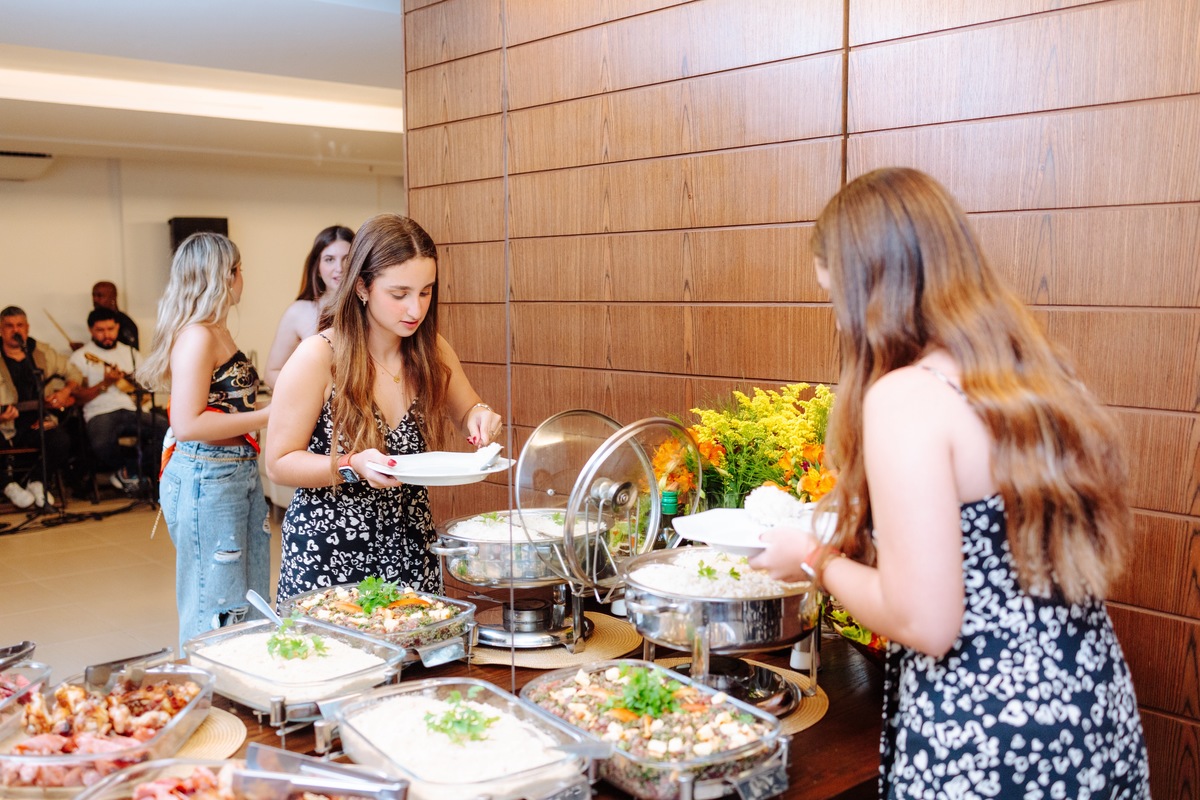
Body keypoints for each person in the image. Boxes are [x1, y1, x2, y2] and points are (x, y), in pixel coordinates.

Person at [748, 168, 1150, 798]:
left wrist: (811, 556)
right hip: (1087, 712)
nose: (841, 323)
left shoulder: (908, 396)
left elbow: (926, 619)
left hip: (985, 730)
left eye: (836, 300)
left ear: (870, 291)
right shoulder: (1030, 377)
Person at [265, 213, 501, 601]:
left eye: (425, 292)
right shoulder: (319, 356)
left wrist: (480, 417)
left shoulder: (430, 350)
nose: (415, 309)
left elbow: (468, 410)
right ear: (362, 287)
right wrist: (352, 466)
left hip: (410, 543)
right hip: (331, 550)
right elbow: (280, 462)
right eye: (399, 294)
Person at [136, 232, 271, 650]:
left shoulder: (217, 331)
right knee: (214, 601)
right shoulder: (197, 336)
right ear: (222, 277)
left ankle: (238, 692)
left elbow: (225, 407)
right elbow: (188, 422)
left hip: (235, 470)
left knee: (248, 595)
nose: (242, 278)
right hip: (207, 473)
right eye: (237, 269)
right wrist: (271, 415)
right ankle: (205, 696)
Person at [68, 307, 168, 493]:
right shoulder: (80, 357)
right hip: (100, 412)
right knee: (101, 443)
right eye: (100, 330)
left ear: (118, 327)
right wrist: (104, 383)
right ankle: (130, 472)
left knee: (167, 430)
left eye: (111, 329)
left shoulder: (130, 353)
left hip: (132, 409)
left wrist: (136, 385)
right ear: (91, 330)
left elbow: (146, 391)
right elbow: (78, 398)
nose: (107, 334)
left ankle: (128, 471)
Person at [0, 306, 80, 509]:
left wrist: (65, 392)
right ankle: (7, 485)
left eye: (19, 325)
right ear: (0, 329)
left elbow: (74, 373)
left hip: (37, 420)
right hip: (4, 425)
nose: (15, 330)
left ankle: (37, 481)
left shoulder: (42, 352)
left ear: (27, 328)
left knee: (60, 439)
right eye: (9, 326)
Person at [263, 225, 354, 387]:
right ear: (317, 267)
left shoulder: (371, 309)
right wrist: (310, 394)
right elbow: (272, 373)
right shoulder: (298, 312)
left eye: (347, 259)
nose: (339, 268)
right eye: (329, 259)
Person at [91, 281, 139, 351]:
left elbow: (131, 356)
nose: (95, 299)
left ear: (113, 297)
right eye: (93, 295)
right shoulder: (94, 320)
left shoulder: (126, 324)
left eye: (99, 296)